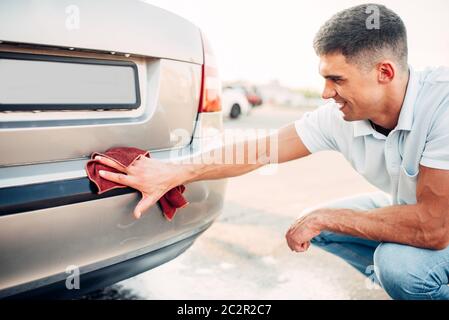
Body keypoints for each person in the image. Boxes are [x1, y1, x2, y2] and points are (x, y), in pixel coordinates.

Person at [94, 3, 449, 300]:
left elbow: (435, 227)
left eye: (337, 80)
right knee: (320, 227)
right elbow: (260, 150)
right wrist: (173, 172)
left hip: (440, 222)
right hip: (417, 211)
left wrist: (326, 217)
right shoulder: (339, 117)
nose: (326, 93)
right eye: (324, 79)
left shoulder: (442, 104)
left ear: (384, 72)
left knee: (399, 266)